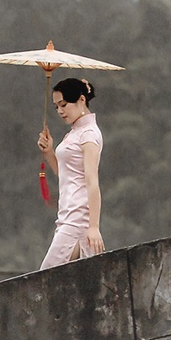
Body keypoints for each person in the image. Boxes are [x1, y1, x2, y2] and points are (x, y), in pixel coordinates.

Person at [38, 76, 104, 269]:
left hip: (77, 218)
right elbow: (67, 174)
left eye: (64, 104)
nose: (60, 111)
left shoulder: (88, 134)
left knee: (44, 278)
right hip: (66, 215)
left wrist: (94, 227)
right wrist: (49, 151)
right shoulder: (75, 132)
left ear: (81, 100)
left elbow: (92, 182)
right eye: (56, 106)